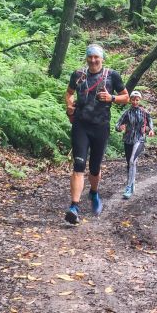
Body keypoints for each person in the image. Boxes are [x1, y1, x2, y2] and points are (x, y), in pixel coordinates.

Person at [64, 43, 128, 224]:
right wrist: (69, 106)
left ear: (102, 58)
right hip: (80, 125)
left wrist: (112, 98)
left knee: (94, 168)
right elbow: (68, 94)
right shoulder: (78, 75)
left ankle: (93, 192)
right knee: (78, 165)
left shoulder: (112, 76)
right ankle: (74, 207)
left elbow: (126, 97)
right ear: (86, 58)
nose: (93, 60)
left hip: (101, 127)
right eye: (90, 57)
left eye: (96, 57)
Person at [115, 90, 154, 199]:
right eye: (133, 99)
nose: (135, 102)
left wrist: (150, 130)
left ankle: (128, 187)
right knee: (130, 163)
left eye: (137, 100)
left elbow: (150, 124)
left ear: (140, 100)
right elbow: (117, 125)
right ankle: (131, 184)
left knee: (132, 161)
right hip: (128, 140)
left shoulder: (144, 113)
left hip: (140, 140)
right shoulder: (127, 113)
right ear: (130, 100)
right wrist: (120, 127)